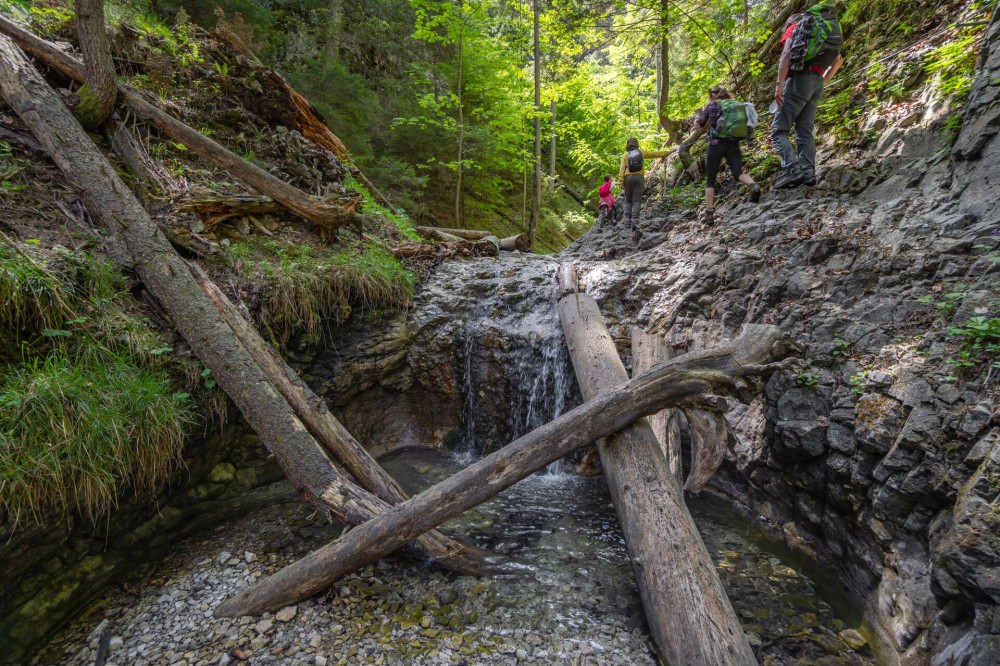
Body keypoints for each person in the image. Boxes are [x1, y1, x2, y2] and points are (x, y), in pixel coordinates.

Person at [771, 5, 844, 189]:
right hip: (817, 80)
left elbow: (787, 54)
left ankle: (792, 171)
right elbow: (837, 62)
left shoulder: (794, 28)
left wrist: (779, 85)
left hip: (799, 79)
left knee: (779, 131)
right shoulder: (825, 31)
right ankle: (808, 173)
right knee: (804, 130)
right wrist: (820, 82)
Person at [693, 86, 761, 225]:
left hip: (716, 144)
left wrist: (697, 115)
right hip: (733, 143)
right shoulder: (736, 104)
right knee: (737, 173)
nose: (709, 96)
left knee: (710, 179)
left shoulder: (712, 105)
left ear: (713, 95)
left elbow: (698, 125)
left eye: (710, 93)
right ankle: (753, 185)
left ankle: (709, 214)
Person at [617, 138, 670, 227]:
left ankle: (627, 220)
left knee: (628, 200)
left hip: (628, 178)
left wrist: (621, 181)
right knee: (637, 200)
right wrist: (668, 152)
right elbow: (654, 154)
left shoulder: (625, 155)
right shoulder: (641, 152)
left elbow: (622, 169)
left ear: (628, 144)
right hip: (639, 177)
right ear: (637, 144)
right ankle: (635, 219)